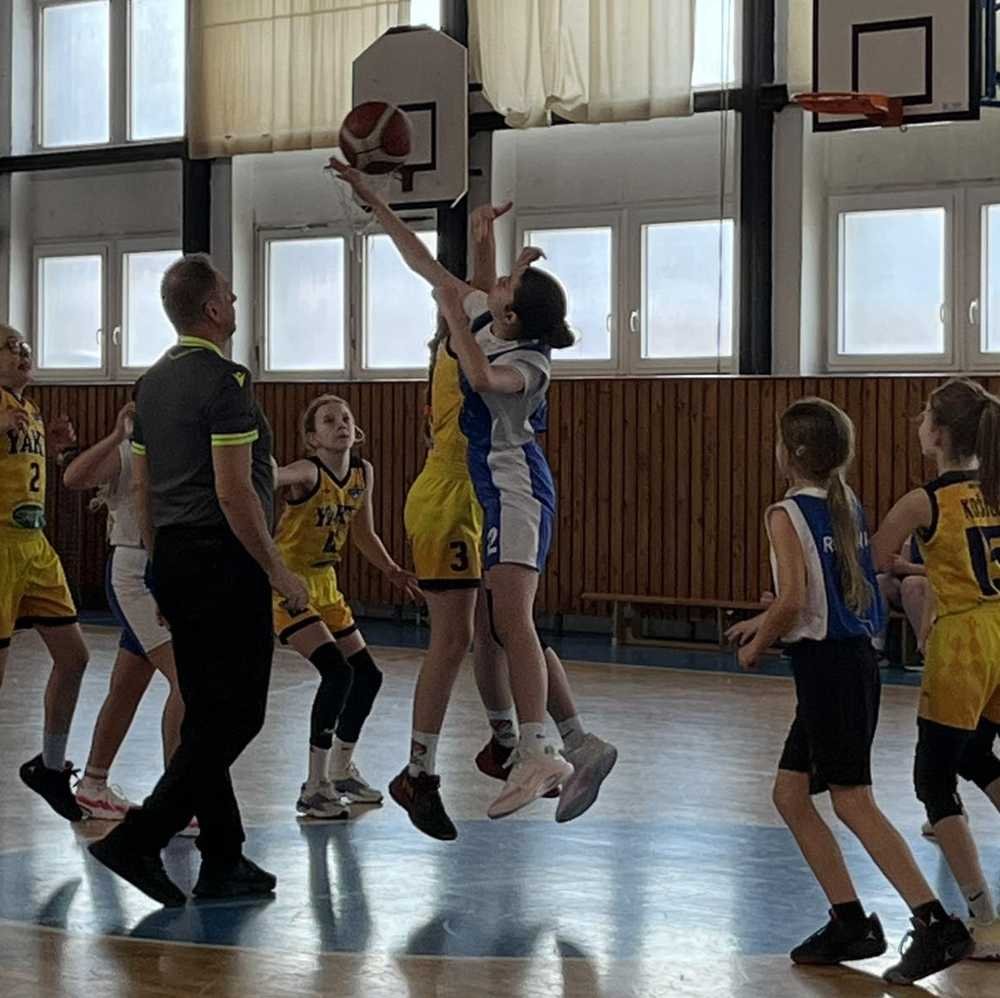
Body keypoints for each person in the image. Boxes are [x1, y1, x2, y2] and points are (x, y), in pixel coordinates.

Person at [331, 161, 616, 837]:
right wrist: (375, 201)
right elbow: (432, 267)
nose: (483, 289)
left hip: (495, 489)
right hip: (455, 492)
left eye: (502, 289)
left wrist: (490, 259)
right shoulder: (479, 321)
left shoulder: (496, 341)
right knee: (478, 631)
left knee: (500, 627)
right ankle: (511, 747)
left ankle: (534, 743)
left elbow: (474, 321)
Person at [727, 397, 972, 985]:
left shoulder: (785, 512)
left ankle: (936, 923)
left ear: (790, 453)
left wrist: (757, 644)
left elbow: (793, 599)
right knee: (791, 794)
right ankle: (850, 921)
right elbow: (828, 593)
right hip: (848, 661)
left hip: (829, 669)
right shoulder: (846, 504)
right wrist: (767, 621)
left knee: (852, 800)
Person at [88, 254, 308, 907]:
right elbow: (234, 492)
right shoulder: (225, 382)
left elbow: (146, 490)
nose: (235, 304)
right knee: (239, 715)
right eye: (229, 297)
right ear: (212, 310)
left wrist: (160, 563)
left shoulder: (151, 384)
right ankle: (139, 839)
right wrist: (278, 570)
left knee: (207, 714)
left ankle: (223, 856)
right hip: (224, 559)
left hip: (176, 558)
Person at [873, 377, 1000, 961]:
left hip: (964, 642)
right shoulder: (995, 487)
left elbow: (875, 558)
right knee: (975, 754)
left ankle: (984, 919)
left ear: (941, 433)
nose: (918, 423)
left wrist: (904, 567)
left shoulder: (924, 500)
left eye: (924, 415)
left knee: (933, 779)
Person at [273, 393, 420, 819]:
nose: (340, 424)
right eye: (328, 420)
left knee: (367, 677)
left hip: (326, 585)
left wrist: (392, 569)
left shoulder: (361, 472)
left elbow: (363, 533)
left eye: (345, 418)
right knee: (336, 673)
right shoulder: (306, 472)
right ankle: (313, 786)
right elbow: (275, 476)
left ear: (356, 431)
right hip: (288, 583)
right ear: (311, 439)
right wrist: (259, 465)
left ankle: (340, 770)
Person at [62, 400, 190, 830]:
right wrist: (118, 435)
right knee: (187, 681)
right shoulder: (129, 449)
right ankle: (176, 798)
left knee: (128, 684)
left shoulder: (188, 449)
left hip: (171, 571)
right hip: (135, 572)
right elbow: (75, 478)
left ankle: (93, 783)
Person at [0, 325, 90, 822]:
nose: (22, 353)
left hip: (34, 545)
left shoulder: (28, 408)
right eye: (10, 347)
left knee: (74, 657)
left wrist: (56, 449)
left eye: (25, 347)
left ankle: (50, 767)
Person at [874, 535, 928, 671]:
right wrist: (893, 565)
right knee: (881, 581)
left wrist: (909, 567)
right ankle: (876, 648)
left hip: (939, 589)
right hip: (909, 586)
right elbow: (904, 562)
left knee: (912, 584)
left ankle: (926, 651)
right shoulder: (914, 534)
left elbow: (947, 571)